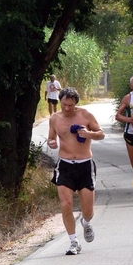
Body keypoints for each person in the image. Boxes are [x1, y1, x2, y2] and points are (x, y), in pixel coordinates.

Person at [47, 87, 105, 255]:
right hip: (65, 166)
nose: (66, 109)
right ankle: (73, 242)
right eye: (64, 104)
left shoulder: (85, 115)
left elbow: (101, 134)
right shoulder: (54, 119)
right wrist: (51, 143)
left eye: (70, 105)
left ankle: (86, 223)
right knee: (66, 204)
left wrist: (88, 134)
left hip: (85, 165)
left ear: (76, 104)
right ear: (60, 102)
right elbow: (51, 138)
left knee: (88, 211)